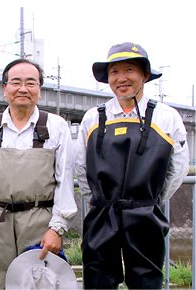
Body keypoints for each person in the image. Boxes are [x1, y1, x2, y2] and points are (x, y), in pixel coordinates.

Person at [75, 42, 189, 289]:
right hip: (102, 214)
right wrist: (99, 201)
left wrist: (150, 201)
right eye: (114, 72)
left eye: (130, 70)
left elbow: (177, 169)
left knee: (147, 281)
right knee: (97, 280)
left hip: (145, 214)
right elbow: (82, 168)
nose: (121, 78)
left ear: (144, 75)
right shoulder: (93, 117)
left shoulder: (166, 116)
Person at [0, 58, 78, 289]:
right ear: (4, 88)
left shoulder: (57, 127)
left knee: (40, 283)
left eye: (31, 83)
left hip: (40, 222)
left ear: (39, 89)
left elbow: (64, 182)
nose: (23, 89)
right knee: (0, 283)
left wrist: (56, 228)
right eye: (15, 82)